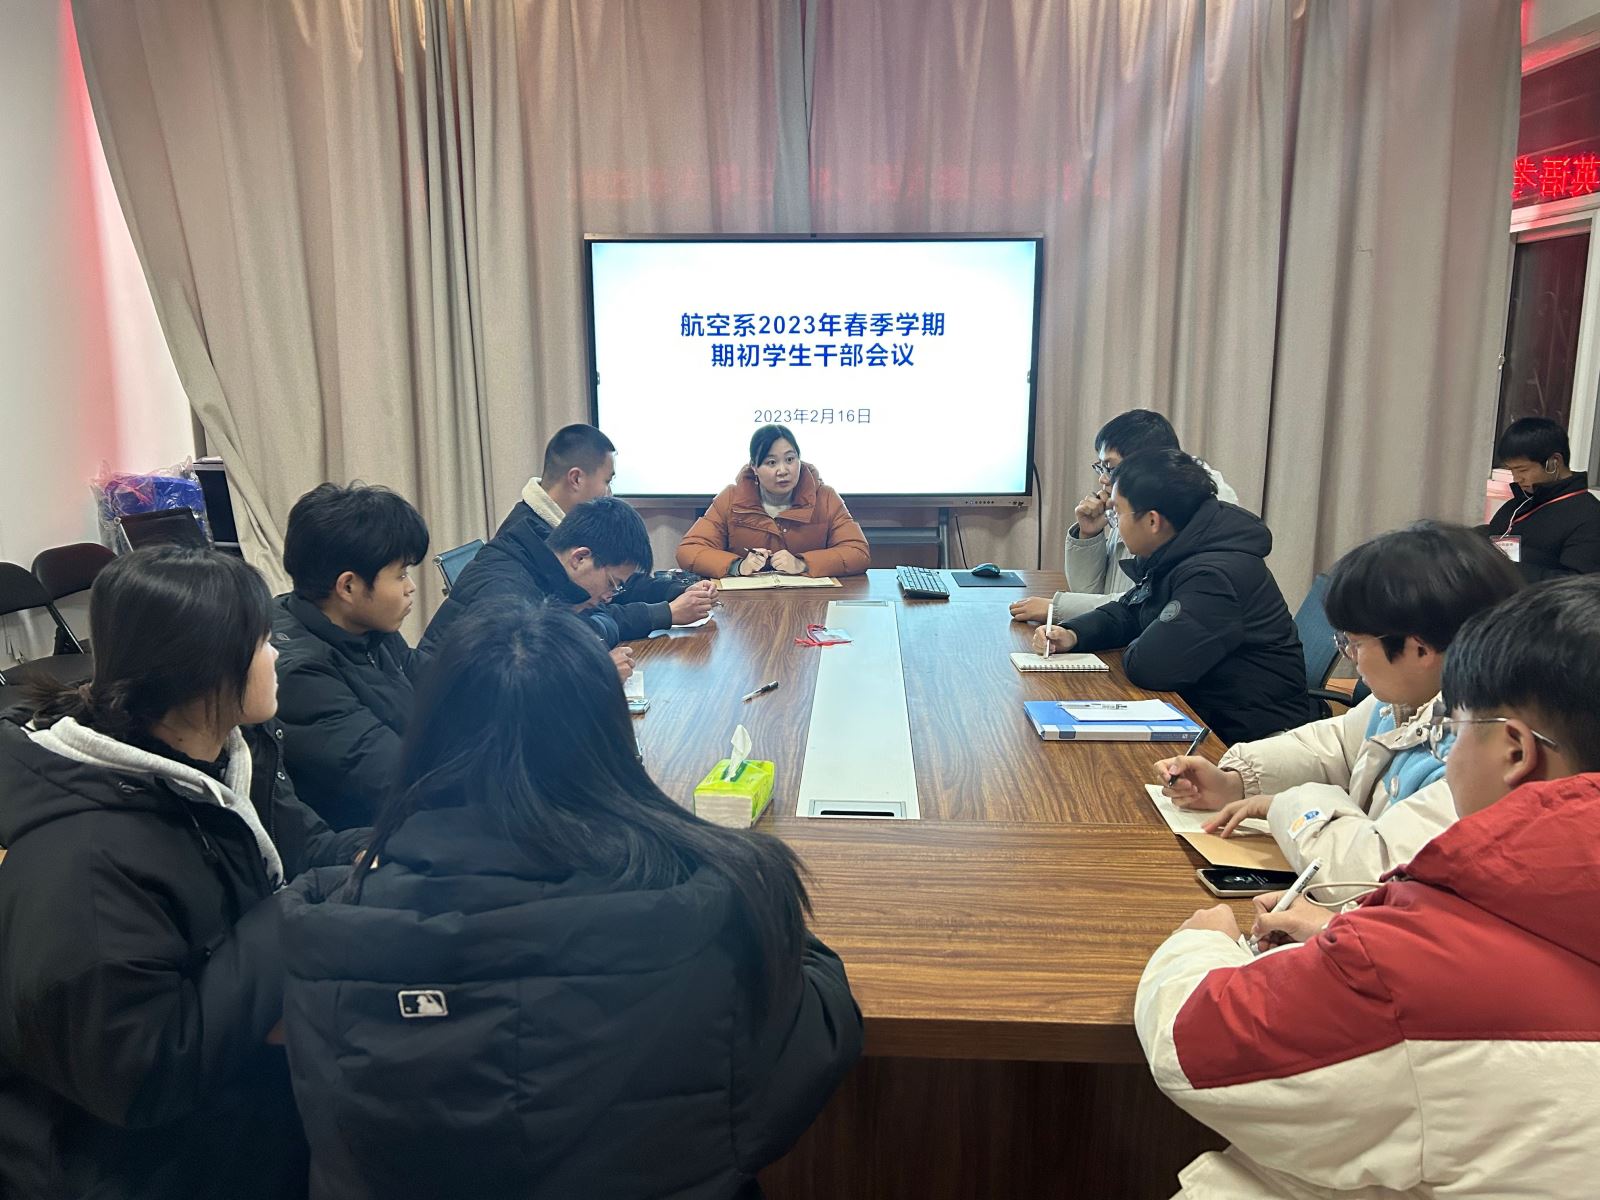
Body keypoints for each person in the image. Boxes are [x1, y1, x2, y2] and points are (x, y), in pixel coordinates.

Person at [282, 601, 864, 1198]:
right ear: (609, 736)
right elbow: (803, 1062)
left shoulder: (326, 930)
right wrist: (765, 906)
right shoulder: (711, 909)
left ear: (428, 736)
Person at [1134, 575, 1600, 1200]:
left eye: (1460, 726)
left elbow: (1195, 1050)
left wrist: (1201, 945)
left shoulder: (1418, 967)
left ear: (1514, 751)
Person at [0, 546, 367, 1200]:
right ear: (207, 667)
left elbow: (307, 848)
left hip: (244, 1106)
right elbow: (143, 1073)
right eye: (262, 641)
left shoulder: (229, 752)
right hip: (138, 1165)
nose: (277, 654)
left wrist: (393, 849)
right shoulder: (85, 861)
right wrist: (299, 909)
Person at [1155, 522, 1523, 884]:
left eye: (1355, 643)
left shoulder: (1482, 749)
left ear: (1420, 650)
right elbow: (1334, 746)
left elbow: (1375, 870)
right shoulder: (1411, 699)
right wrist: (1235, 782)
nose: (1351, 656)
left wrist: (1284, 807)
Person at [1031, 449, 1306, 744]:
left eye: (1117, 513)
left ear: (1152, 521)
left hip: (1248, 735)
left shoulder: (1214, 575)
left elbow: (1151, 667)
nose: (1114, 522)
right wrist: (1073, 634)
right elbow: (1130, 611)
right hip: (1207, 713)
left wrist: (1143, 634)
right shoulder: (1182, 549)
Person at [272, 482, 429, 830]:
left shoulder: (364, 628)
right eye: (401, 574)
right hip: (364, 838)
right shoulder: (300, 676)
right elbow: (398, 778)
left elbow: (435, 680)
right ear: (348, 587)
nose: (410, 587)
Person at [1011, 409, 1238, 624]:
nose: (1102, 479)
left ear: (1144, 463)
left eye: (1110, 467)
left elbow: (1147, 604)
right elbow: (1089, 592)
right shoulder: (1135, 498)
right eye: (1101, 467)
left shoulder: (1185, 509)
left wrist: (1058, 608)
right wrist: (1089, 535)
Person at [498, 422, 718, 632]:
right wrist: (664, 613)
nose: (609, 493)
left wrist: (678, 591)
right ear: (576, 478)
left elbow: (615, 582)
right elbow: (574, 622)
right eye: (607, 481)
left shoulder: (564, 526)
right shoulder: (524, 543)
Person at [418, 495, 653, 679]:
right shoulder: (507, 594)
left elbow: (590, 624)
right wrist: (598, 674)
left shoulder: (551, 570)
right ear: (580, 558)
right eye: (611, 583)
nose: (608, 596)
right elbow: (507, 692)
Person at [676, 423, 870, 578]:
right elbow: (689, 551)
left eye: (790, 459)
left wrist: (803, 564)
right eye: (771, 462)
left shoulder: (825, 497)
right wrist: (738, 565)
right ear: (754, 467)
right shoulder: (731, 499)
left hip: (811, 603)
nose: (783, 470)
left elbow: (857, 552)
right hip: (745, 606)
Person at [1480, 416, 1600, 581]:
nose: (1517, 478)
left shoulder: (1589, 516)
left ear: (1554, 462)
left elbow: (1578, 585)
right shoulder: (1518, 504)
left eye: (1523, 470)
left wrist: (1505, 570)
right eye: (1512, 470)